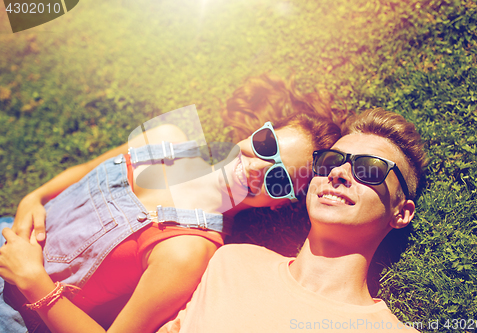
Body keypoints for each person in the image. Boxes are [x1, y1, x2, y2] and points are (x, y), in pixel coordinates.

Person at [0, 74, 346, 333]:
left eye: (279, 178)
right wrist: (35, 197)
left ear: (279, 203)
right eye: (266, 144)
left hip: (15, 312)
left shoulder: (189, 250)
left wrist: (34, 281)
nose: (256, 167)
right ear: (258, 130)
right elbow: (84, 171)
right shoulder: (167, 140)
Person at [158, 108, 428, 333]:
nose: (338, 173)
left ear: (401, 213)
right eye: (330, 161)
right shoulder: (231, 262)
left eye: (369, 169)